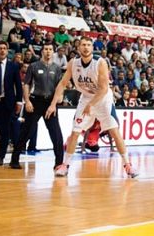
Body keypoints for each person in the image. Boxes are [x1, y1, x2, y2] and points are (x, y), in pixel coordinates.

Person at [46, 37, 137, 178]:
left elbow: (103, 88)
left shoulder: (100, 63)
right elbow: (62, 84)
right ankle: (65, 165)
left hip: (103, 99)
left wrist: (91, 105)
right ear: (78, 47)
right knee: (75, 132)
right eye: (83, 45)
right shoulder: (73, 63)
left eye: (89, 45)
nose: (86, 47)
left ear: (92, 47)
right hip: (86, 97)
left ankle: (128, 165)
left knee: (114, 131)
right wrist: (52, 105)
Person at [10, 42, 64, 172]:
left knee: (56, 134)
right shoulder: (33, 66)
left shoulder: (57, 68)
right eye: (46, 49)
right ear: (42, 51)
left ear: (53, 52)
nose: (48, 51)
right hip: (35, 102)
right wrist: (27, 101)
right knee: (27, 132)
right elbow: (26, 84)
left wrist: (55, 103)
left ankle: (59, 163)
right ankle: (14, 159)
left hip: (50, 103)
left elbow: (59, 87)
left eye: (50, 49)